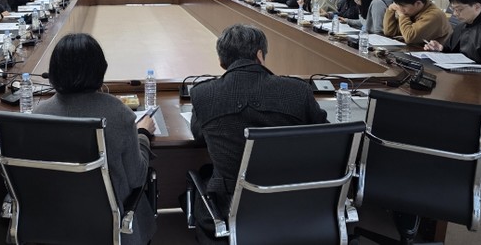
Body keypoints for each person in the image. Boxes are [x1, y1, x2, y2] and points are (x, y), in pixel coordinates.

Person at [190, 24, 327, 242]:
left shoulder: (203, 95)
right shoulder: (297, 91)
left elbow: (198, 135)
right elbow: (325, 135)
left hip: (229, 207)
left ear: (222, 62)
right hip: (294, 201)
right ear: (260, 56)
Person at [34, 33, 156, 245]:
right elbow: (137, 178)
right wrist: (143, 135)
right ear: (100, 69)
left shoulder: (39, 114)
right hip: (112, 227)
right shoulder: (119, 114)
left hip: (55, 224)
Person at [383, 0, 452, 45]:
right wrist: (390, 10)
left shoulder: (433, 15)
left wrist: (402, 16)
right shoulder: (413, 11)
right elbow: (389, 32)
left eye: (403, 6)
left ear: (418, 3)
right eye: (398, 6)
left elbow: (410, 38)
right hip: (417, 48)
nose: (400, 9)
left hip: (438, 53)